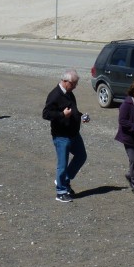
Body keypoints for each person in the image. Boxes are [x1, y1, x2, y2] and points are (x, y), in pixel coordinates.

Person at [42, 69, 89, 203]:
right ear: (65, 81)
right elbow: (46, 114)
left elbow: (73, 111)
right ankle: (61, 191)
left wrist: (81, 116)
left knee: (81, 156)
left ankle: (63, 180)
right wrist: (62, 115)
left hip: (74, 134)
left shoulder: (69, 94)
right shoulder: (54, 95)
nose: (75, 86)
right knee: (62, 164)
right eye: (74, 83)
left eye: (76, 83)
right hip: (61, 136)